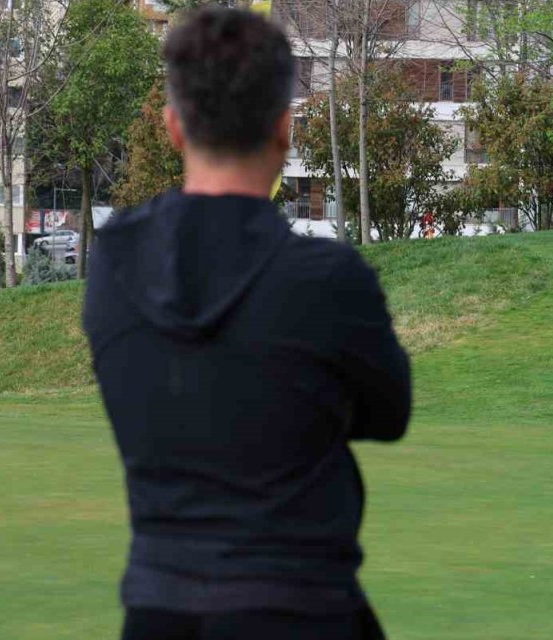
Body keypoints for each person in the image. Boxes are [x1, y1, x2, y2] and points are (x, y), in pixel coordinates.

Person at [81, 8, 411, 640]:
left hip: (158, 612)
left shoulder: (115, 261)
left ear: (173, 127)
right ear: (285, 129)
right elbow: (387, 413)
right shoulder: (328, 278)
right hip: (302, 611)